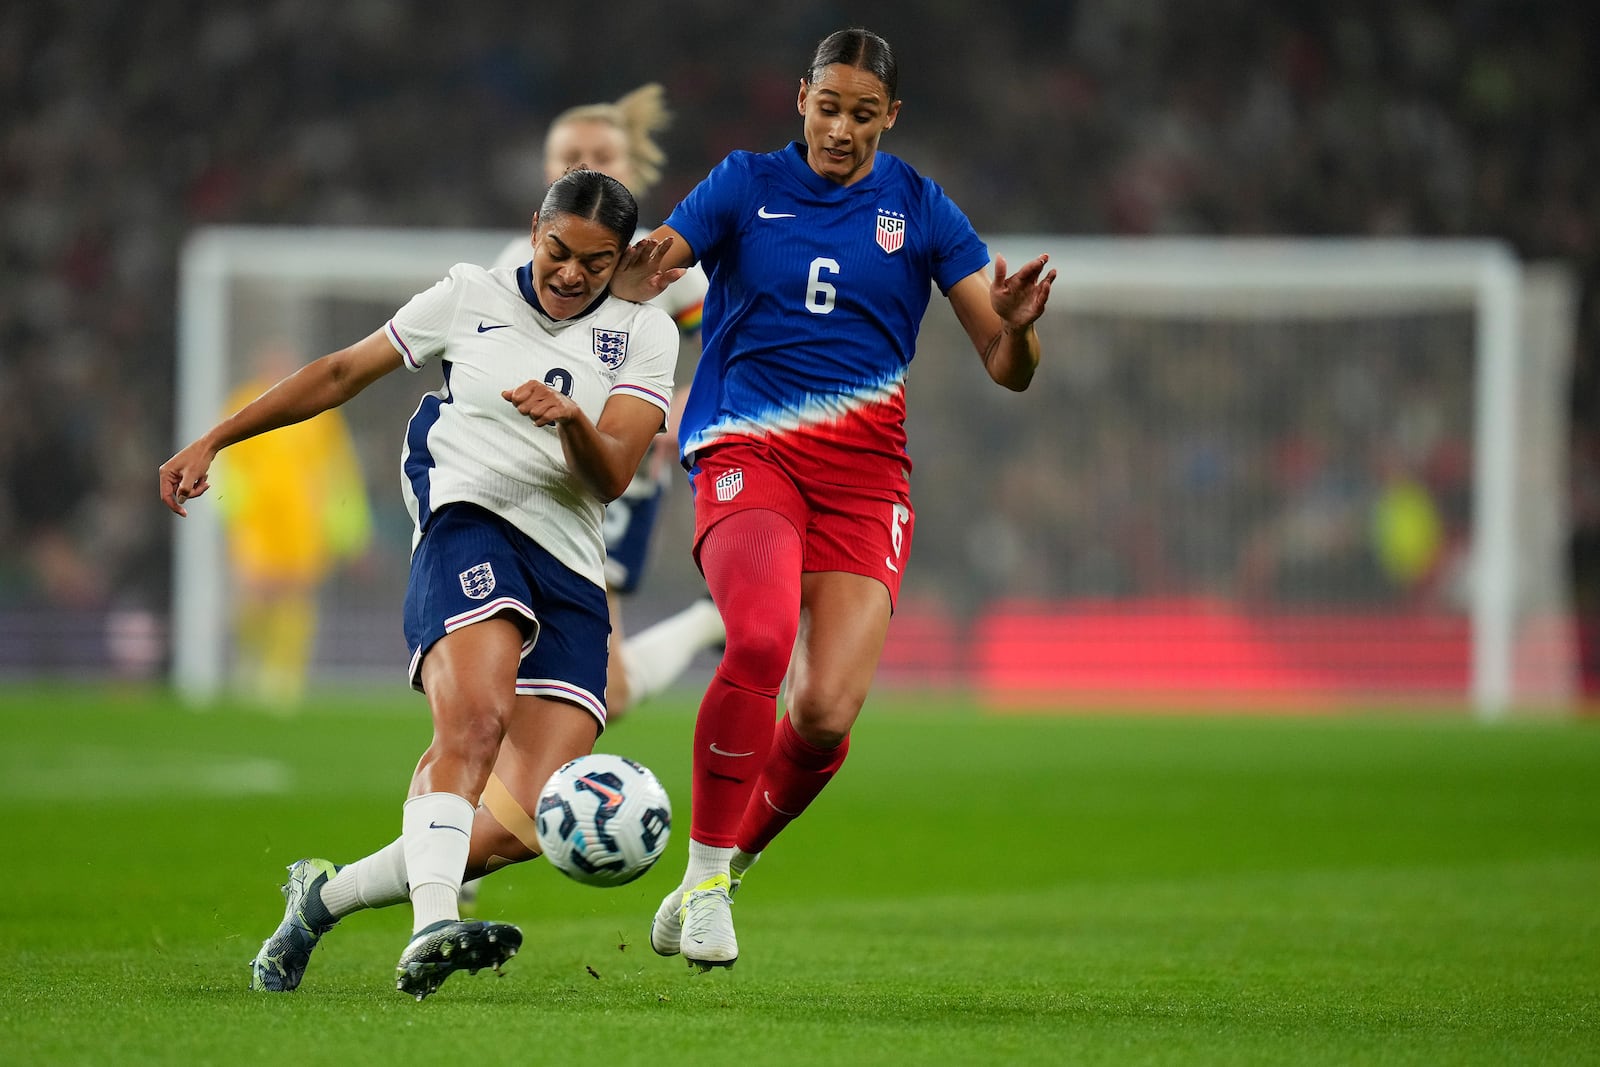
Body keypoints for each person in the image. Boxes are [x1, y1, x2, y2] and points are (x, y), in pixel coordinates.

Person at [159, 169, 678, 999]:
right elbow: (339, 373)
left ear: (620, 259)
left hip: (571, 569)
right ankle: (434, 927)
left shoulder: (645, 335)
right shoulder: (468, 295)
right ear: (533, 229)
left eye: (596, 259)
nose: (572, 273)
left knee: (520, 824)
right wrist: (215, 440)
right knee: (473, 721)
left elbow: (614, 472)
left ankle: (318, 900)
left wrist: (572, 416)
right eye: (558, 251)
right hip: (468, 523)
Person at [614, 28, 1058, 971]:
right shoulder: (744, 181)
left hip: (865, 480)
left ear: (890, 116)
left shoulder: (924, 210)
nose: (842, 130)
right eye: (828, 108)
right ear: (801, 99)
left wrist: (1015, 332)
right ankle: (700, 880)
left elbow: (1005, 366)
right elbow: (666, 258)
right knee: (763, 641)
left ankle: (718, 875)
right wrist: (643, 265)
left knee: (824, 711)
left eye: (864, 114)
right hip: (748, 451)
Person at [493, 84, 724, 724]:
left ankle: (489, 806)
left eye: (602, 153)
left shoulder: (661, 262)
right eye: (570, 154)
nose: (585, 164)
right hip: (529, 468)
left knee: (595, 685)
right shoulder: (520, 262)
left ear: (630, 170)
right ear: (547, 171)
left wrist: (684, 404)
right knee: (589, 687)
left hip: (619, 474)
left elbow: (722, 344)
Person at [216, 340, 372, 710]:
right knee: (255, 594)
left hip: (302, 522)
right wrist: (234, 511)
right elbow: (226, 462)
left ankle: (284, 679)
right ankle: (249, 663)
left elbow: (338, 471)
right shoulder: (243, 404)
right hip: (258, 522)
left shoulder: (320, 413)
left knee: (296, 597)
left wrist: (350, 531)